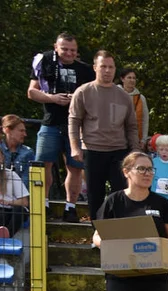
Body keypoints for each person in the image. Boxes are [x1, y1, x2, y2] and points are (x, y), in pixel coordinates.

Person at [91, 152, 168, 291]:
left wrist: (162, 247)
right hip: (121, 278)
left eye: (150, 169)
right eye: (141, 169)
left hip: (155, 277)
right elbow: (97, 236)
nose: (147, 173)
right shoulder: (113, 201)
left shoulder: (161, 203)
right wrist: (111, 246)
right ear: (126, 172)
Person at [28, 32, 94, 223]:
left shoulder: (86, 70)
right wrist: (53, 98)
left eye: (73, 50)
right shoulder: (46, 62)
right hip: (50, 122)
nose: (69, 53)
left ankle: (70, 207)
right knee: (43, 164)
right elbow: (31, 91)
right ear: (56, 47)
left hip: (77, 126)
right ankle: (44, 203)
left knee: (75, 167)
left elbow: (94, 97)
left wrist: (77, 99)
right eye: (64, 49)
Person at [69, 50, 138, 221]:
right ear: (95, 68)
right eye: (103, 67)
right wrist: (74, 147)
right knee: (95, 194)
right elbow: (74, 121)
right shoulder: (83, 92)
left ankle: (119, 232)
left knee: (121, 193)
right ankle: (97, 234)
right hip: (93, 149)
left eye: (111, 67)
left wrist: (135, 151)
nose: (107, 71)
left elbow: (131, 126)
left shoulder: (123, 95)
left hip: (119, 150)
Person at [118, 68, 150, 148]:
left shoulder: (141, 98)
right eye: (129, 77)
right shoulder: (115, 94)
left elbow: (145, 120)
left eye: (134, 78)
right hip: (116, 139)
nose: (132, 80)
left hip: (135, 140)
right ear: (122, 79)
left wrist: (143, 140)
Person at [2, 114, 35, 186]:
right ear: (8, 130)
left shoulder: (28, 153)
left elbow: (26, 183)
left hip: (20, 194)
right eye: (21, 131)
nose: (25, 134)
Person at [0, 157, 29, 236]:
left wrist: (8, 202)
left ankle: (6, 236)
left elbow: (24, 202)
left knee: (20, 210)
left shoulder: (11, 175)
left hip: (10, 210)